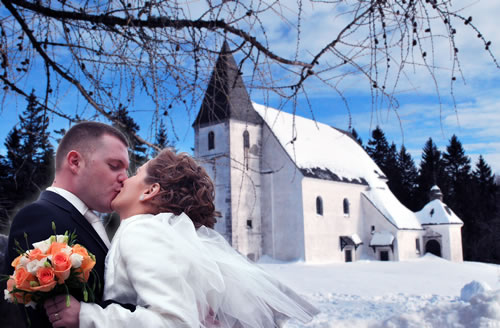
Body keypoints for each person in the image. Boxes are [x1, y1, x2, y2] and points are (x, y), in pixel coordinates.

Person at [45, 149, 319, 328]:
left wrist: (87, 316)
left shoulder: (143, 232)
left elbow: (175, 322)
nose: (124, 179)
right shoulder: (154, 233)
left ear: (150, 190)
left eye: (136, 173)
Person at [2, 122, 130, 328]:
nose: (125, 178)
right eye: (115, 166)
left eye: (126, 169)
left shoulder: (86, 221)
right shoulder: (39, 217)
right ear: (75, 162)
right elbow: (50, 318)